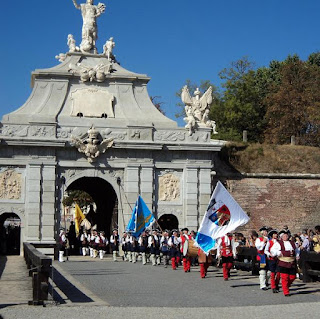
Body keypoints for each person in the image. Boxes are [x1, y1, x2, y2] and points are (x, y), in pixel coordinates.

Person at [271, 230, 299, 296]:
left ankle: (286, 286)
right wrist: (279, 253)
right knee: (284, 277)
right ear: (281, 237)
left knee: (293, 277)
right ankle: (286, 292)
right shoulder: (278, 243)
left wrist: (297, 255)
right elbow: (273, 250)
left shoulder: (292, 243)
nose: (286, 237)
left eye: (287, 236)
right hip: (283, 262)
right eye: (284, 236)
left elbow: (297, 250)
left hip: (291, 262)